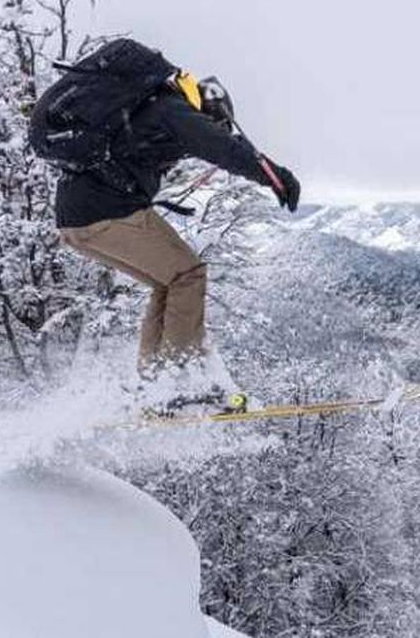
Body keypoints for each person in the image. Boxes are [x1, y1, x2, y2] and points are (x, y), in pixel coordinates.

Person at [39, 41, 301, 406]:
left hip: (77, 220)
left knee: (169, 283)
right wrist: (275, 175)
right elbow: (221, 146)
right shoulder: (171, 110)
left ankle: (154, 386)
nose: (211, 128)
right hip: (106, 214)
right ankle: (177, 381)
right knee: (189, 274)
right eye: (213, 122)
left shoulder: (148, 111)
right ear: (206, 107)